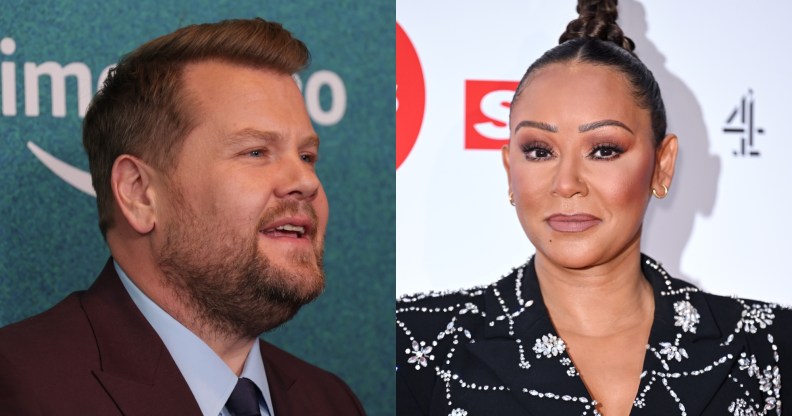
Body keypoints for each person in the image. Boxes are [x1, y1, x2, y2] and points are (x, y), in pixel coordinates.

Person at [396, 1, 791, 415]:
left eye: (603, 150)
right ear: (509, 167)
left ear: (662, 165)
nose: (566, 183)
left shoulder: (772, 348)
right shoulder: (417, 343)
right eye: (539, 151)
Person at [0, 18, 365, 415]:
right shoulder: (21, 386)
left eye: (308, 156)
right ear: (139, 194)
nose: (306, 181)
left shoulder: (331, 401)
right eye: (256, 152)